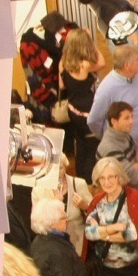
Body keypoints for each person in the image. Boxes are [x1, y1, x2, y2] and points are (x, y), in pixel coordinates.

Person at [31, 194, 92, 276]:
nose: (67, 219)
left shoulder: (39, 241)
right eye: (63, 217)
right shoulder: (56, 251)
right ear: (51, 223)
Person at [56, 28, 105, 178]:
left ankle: (81, 176)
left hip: (72, 108)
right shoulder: (84, 64)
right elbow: (102, 62)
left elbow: (62, 86)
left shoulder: (63, 64)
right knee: (92, 145)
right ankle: (91, 178)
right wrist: (91, 40)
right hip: (87, 109)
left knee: (80, 143)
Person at [92, 45, 138, 159]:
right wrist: (108, 137)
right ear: (127, 66)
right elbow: (94, 120)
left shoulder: (137, 75)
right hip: (124, 149)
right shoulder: (106, 88)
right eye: (137, 59)